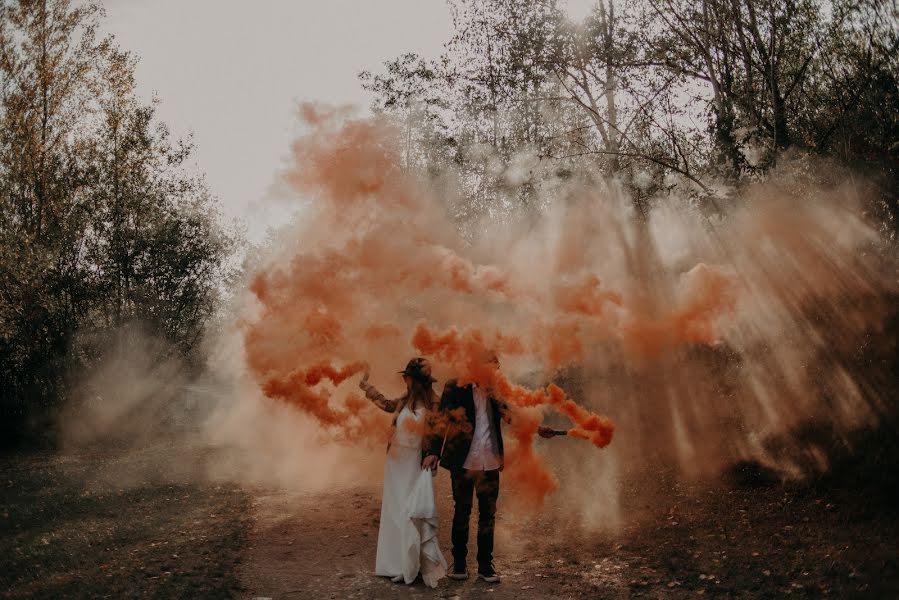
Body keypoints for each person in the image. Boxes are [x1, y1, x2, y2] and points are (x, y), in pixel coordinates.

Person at [422, 353, 557, 583]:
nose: (495, 373)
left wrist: (537, 428)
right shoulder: (455, 386)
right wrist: (433, 451)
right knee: (462, 512)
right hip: (464, 461)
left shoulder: (496, 389)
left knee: (488, 515)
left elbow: (511, 415)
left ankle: (485, 565)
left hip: (490, 461)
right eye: (492, 368)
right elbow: (439, 420)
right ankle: (460, 564)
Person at [359, 357, 448, 587]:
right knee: (395, 510)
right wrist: (366, 386)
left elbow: (439, 432)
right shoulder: (405, 400)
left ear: (416, 380)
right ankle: (396, 564)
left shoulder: (435, 404)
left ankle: (410, 566)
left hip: (415, 463)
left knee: (410, 512)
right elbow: (386, 404)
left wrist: (435, 455)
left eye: (407, 377)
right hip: (396, 461)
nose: (404, 380)